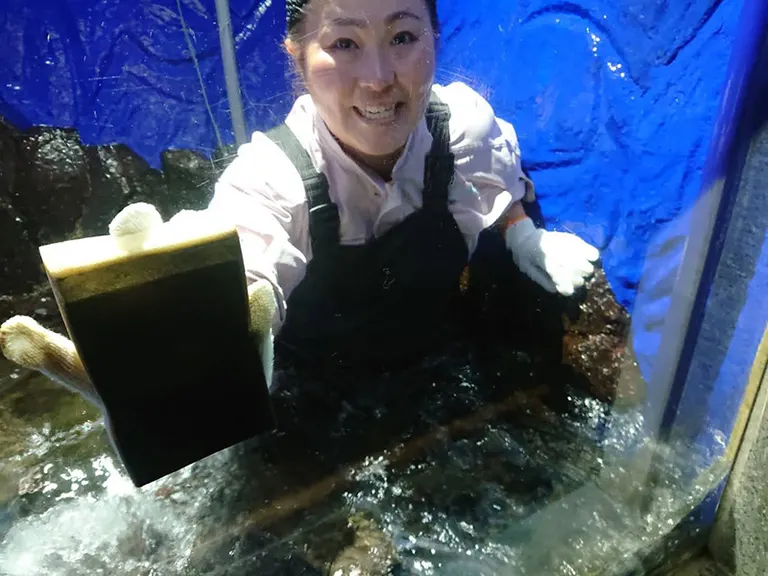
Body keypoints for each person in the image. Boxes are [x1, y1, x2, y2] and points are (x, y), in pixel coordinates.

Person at [0, 0, 599, 405]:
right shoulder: (270, 179)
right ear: (296, 53)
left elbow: (492, 185)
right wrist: (183, 314)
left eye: (403, 37)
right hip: (312, 405)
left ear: (436, 41)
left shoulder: (462, 127)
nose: (378, 77)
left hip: (435, 376)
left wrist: (523, 234)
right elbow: (245, 259)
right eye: (344, 42)